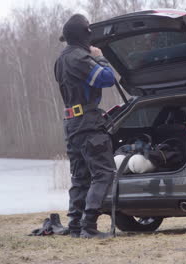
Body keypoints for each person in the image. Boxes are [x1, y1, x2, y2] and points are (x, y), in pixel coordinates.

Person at [54, 14, 116, 239]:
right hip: (87, 123)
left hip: (71, 123)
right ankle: (89, 225)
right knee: (103, 173)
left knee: (80, 177)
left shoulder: (61, 59)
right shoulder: (80, 58)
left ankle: (75, 226)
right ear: (83, 34)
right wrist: (100, 58)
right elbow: (107, 78)